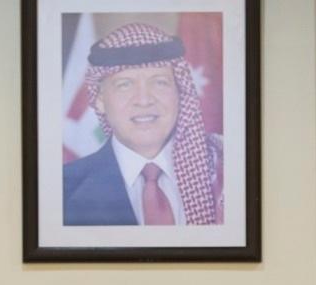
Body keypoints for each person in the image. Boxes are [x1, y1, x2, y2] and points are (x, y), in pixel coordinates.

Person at [63, 22, 223, 227]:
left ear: (180, 92)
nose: (144, 100)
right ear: (100, 100)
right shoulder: (63, 190)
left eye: (159, 82)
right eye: (125, 84)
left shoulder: (225, 172)